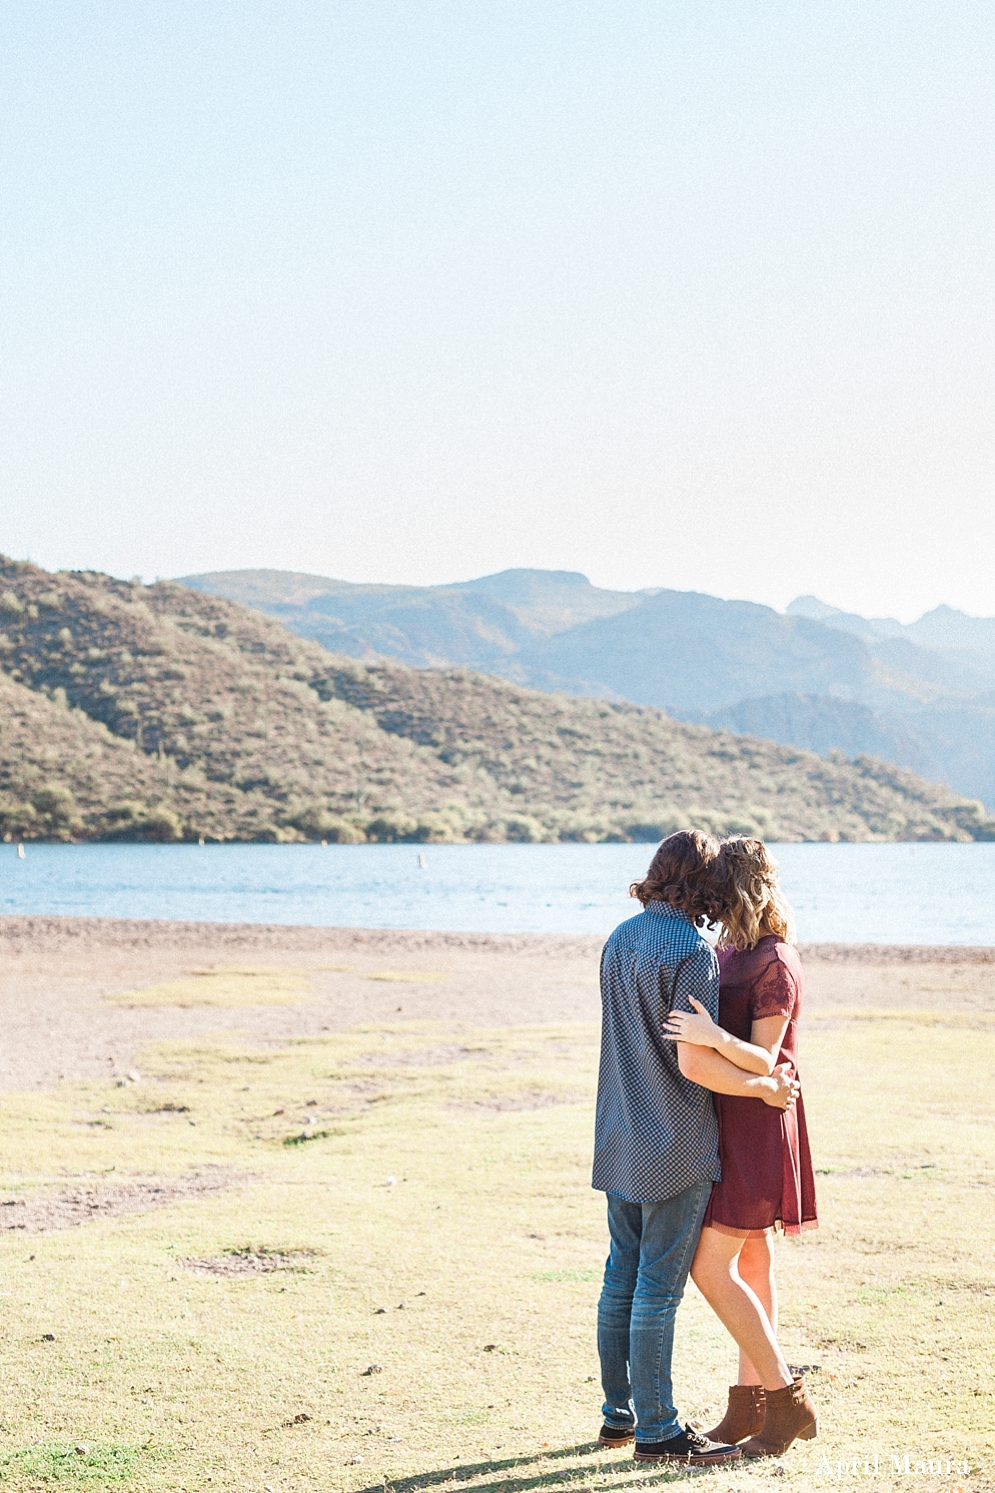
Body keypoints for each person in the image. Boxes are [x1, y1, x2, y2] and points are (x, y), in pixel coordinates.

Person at [592, 830, 800, 1467]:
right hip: (675, 1142)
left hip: (619, 1132)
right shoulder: (693, 949)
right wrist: (763, 1087)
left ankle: (618, 1417)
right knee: (659, 1288)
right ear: (700, 885)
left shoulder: (620, 937)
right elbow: (695, 1065)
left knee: (619, 1278)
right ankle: (657, 1430)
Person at [663, 837, 818, 1458]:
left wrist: (707, 1034)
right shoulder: (731, 950)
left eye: (715, 888)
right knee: (752, 1263)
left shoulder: (774, 962)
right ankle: (747, 1408)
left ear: (735, 889)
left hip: (757, 1123)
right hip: (732, 1117)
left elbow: (768, 1056)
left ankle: (787, 1404)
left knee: (710, 1267)